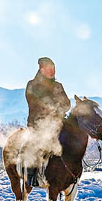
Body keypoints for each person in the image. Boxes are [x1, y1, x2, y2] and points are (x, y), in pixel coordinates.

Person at [24, 57, 71, 185]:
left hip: (57, 122)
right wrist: (52, 108)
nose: (53, 71)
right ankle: (32, 176)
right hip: (37, 123)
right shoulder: (32, 85)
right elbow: (33, 102)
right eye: (50, 68)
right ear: (42, 69)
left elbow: (67, 103)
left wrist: (61, 109)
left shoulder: (58, 86)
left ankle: (71, 172)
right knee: (35, 144)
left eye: (54, 68)